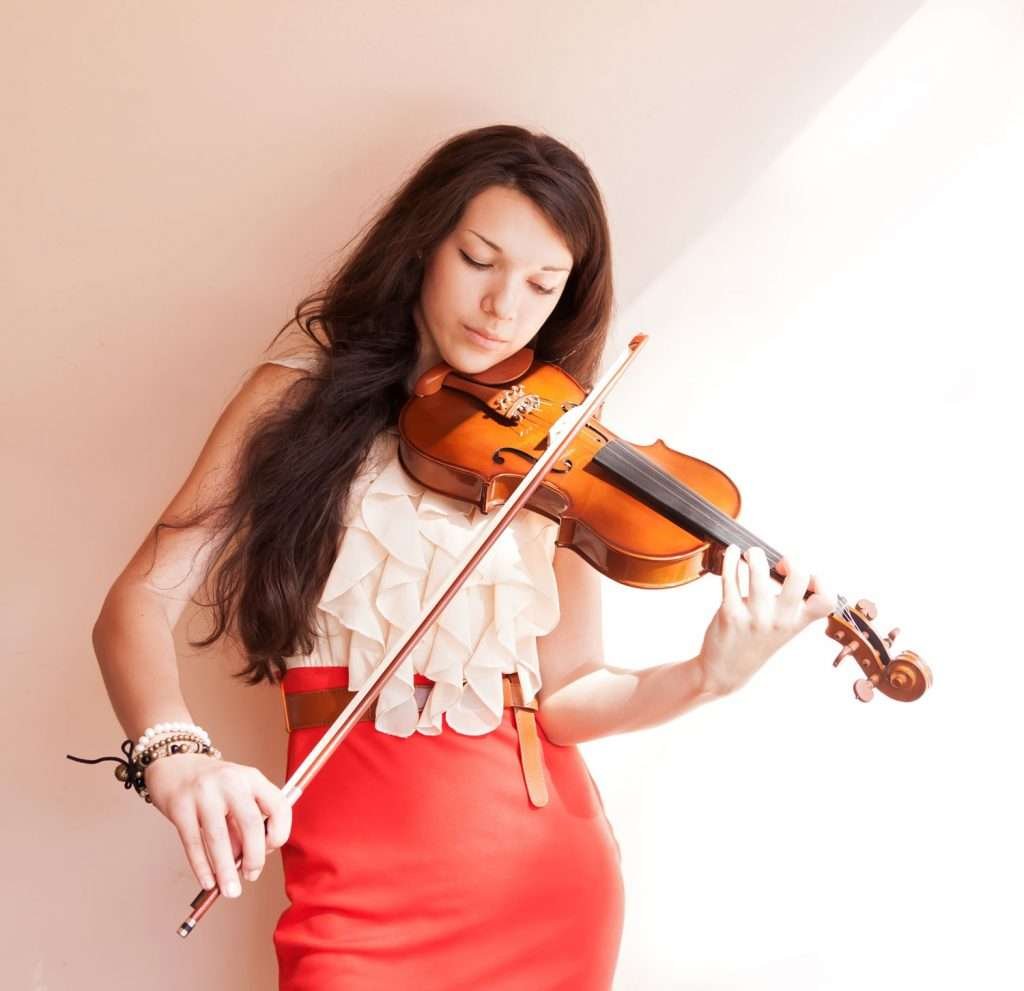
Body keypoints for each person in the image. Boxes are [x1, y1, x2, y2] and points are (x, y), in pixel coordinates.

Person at [86, 124, 835, 990]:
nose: (503, 307)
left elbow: (567, 697)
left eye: (542, 285)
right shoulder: (292, 398)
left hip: (545, 886)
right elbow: (136, 603)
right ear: (424, 246)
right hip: (354, 899)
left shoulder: (557, 451)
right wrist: (176, 758)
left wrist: (709, 672)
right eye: (479, 258)